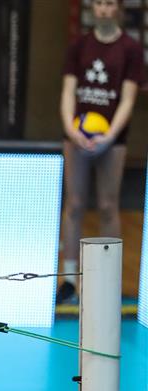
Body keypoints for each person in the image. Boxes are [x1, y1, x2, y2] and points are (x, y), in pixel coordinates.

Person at [58, 0, 142, 304]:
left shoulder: (131, 49)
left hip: (112, 139)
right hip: (78, 136)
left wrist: (109, 136)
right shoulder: (79, 46)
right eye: (99, 3)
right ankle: (69, 280)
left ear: (117, 9)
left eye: (109, 3)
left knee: (108, 206)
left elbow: (128, 99)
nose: (104, 9)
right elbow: (68, 92)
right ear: (92, 8)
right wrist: (71, 130)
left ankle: (107, 278)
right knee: (75, 204)